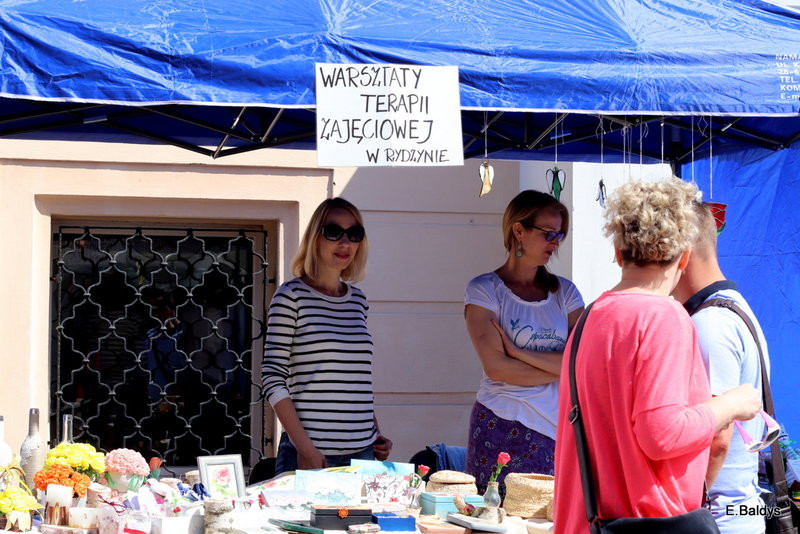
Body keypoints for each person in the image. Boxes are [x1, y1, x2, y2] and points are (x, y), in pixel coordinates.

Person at [553, 179, 762, 533]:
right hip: (647, 521)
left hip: (584, 521)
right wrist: (733, 403)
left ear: (618, 253)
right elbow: (661, 434)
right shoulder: (664, 316)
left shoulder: (589, 317)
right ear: (683, 257)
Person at [463, 190, 584, 492]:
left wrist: (518, 352)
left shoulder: (566, 293)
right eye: (548, 234)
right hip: (502, 423)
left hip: (558, 429)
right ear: (519, 230)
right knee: (496, 519)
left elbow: (585, 359)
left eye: (560, 234)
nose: (555, 243)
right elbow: (498, 369)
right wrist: (566, 367)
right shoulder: (485, 289)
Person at [262, 197, 392, 475]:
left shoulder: (358, 300)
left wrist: (375, 432)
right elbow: (272, 377)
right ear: (315, 238)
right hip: (311, 454)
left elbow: (354, 376)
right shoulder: (291, 296)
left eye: (354, 234)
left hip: (363, 455)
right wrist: (305, 448)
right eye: (334, 232)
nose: (345, 243)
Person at [672, 201, 770, 534]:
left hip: (717, 520)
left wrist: (683, 510)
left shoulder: (710, 323)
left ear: (682, 252)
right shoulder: (734, 307)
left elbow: (717, 437)